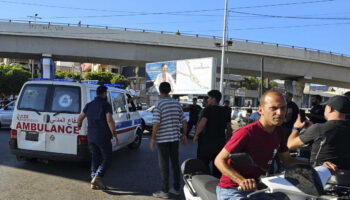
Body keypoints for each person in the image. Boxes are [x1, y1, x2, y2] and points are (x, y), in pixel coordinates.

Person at [214, 90, 337, 200]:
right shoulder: (246, 133)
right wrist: (241, 180)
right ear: (260, 110)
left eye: (283, 108)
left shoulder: (278, 132)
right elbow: (219, 160)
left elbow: (288, 161)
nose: (280, 112)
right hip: (232, 189)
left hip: (257, 189)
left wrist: (316, 165)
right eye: (274, 108)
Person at [287, 95, 350, 170]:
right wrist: (312, 129)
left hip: (321, 177)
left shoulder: (318, 129)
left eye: (325, 107)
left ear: (329, 109)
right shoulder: (318, 129)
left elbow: (290, 144)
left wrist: (296, 128)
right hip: (346, 178)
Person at [150, 82, 187, 198]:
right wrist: (184, 134)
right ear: (170, 91)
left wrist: (152, 138)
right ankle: (176, 188)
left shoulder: (159, 104)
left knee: (164, 165)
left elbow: (156, 123)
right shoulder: (176, 104)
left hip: (163, 140)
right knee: (175, 164)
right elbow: (184, 121)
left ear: (160, 91)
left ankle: (164, 191)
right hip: (175, 139)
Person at [77, 85, 118, 190]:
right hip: (103, 136)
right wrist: (114, 135)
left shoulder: (89, 105)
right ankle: (98, 176)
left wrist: (79, 126)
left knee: (95, 157)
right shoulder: (106, 104)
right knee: (107, 158)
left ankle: (93, 181)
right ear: (104, 93)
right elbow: (109, 120)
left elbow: (80, 118)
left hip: (91, 136)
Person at [193, 90, 232, 178]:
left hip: (205, 143)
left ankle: (206, 182)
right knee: (218, 166)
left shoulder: (207, 110)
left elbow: (202, 124)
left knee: (202, 164)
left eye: (209, 98)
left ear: (214, 99)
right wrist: (227, 138)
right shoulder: (225, 111)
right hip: (219, 144)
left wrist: (196, 135)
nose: (208, 100)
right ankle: (216, 184)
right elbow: (229, 128)